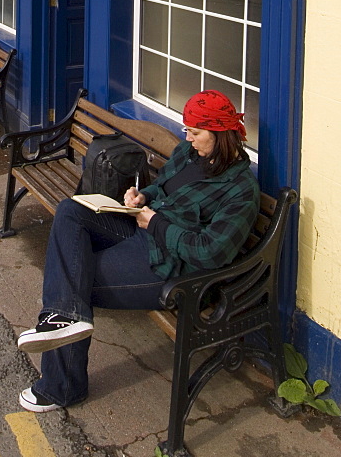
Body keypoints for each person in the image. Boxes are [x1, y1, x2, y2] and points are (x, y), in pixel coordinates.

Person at [16, 89, 260, 413]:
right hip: (139, 227)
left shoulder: (241, 190)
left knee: (72, 279)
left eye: (195, 132)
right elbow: (164, 186)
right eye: (187, 129)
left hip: (168, 265)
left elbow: (210, 252)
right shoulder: (190, 154)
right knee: (70, 211)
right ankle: (65, 319)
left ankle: (62, 385)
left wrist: (156, 223)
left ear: (220, 134)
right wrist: (142, 196)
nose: (187, 137)